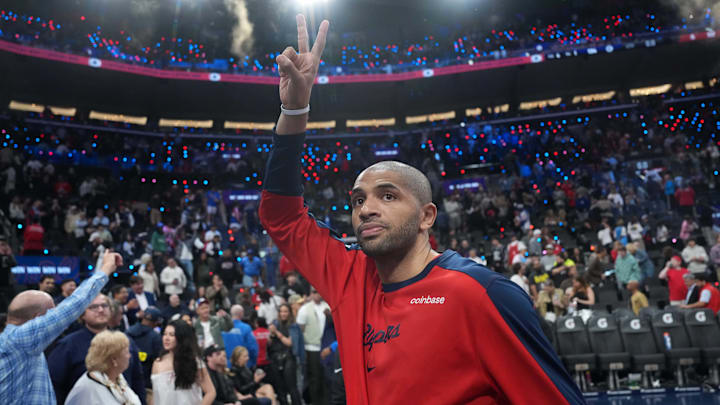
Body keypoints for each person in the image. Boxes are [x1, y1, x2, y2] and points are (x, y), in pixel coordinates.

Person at [258, 14, 583, 405]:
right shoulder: (348, 278)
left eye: (388, 196)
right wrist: (295, 111)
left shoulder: (481, 294)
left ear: (427, 216)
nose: (366, 209)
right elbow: (281, 216)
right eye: (358, 200)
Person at [0, 250, 120, 405]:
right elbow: (75, 303)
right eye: (51, 313)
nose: (55, 318)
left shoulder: (18, 343)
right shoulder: (20, 340)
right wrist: (106, 268)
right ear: (38, 320)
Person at [48, 292, 146, 404]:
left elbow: (137, 380)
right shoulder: (68, 345)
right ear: (82, 314)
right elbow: (55, 386)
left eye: (104, 306)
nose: (100, 310)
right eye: (93, 307)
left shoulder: (125, 341)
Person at [65, 330, 141, 405]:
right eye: (127, 352)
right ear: (114, 359)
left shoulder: (118, 379)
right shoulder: (85, 389)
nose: (129, 356)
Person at [152, 320, 216, 405]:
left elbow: (210, 392)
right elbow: (156, 395)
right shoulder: (158, 363)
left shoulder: (194, 362)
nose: (166, 338)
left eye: (171, 335)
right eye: (165, 334)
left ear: (181, 337)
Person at [203, 344, 271, 405]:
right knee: (260, 399)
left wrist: (236, 400)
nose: (221, 357)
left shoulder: (219, 373)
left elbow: (229, 392)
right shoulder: (208, 375)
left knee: (265, 395)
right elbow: (209, 398)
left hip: (234, 399)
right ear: (209, 357)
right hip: (226, 401)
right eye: (218, 354)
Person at [296, 288, 331, 405]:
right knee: (314, 378)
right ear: (311, 294)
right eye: (315, 292)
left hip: (326, 346)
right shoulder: (305, 309)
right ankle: (315, 402)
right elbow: (300, 329)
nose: (317, 294)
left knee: (326, 377)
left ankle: (326, 402)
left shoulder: (327, 306)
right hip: (311, 347)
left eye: (319, 291)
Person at [268, 303, 303, 405]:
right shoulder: (275, 323)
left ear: (289, 313)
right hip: (275, 358)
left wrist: (277, 333)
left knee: (292, 386)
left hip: (288, 357)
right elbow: (269, 343)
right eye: (281, 311)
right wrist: (271, 334)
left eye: (285, 311)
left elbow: (290, 343)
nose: (283, 314)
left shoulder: (293, 326)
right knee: (279, 387)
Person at [127, 306, 163, 401]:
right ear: (156, 323)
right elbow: (159, 360)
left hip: (127, 382)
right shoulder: (156, 337)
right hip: (146, 384)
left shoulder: (127, 332)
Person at [223, 305, 259, 369]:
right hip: (243, 366)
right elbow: (252, 348)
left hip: (227, 365)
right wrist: (253, 362)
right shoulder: (246, 328)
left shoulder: (223, 328)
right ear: (241, 313)